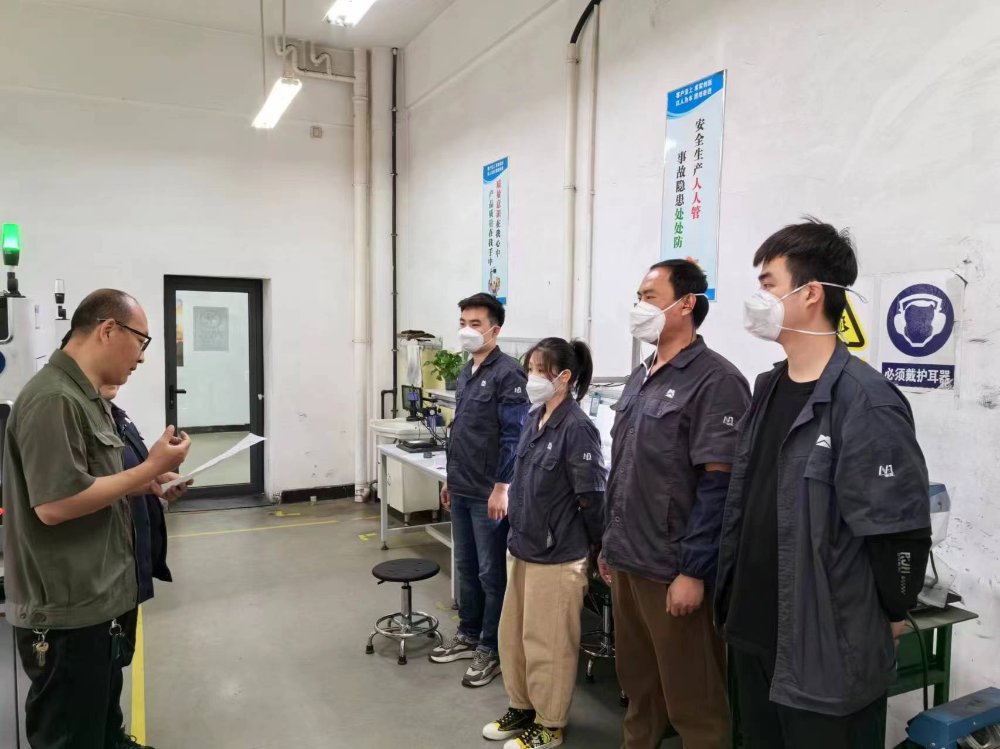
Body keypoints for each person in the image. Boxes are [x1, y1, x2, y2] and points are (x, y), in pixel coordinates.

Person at [715, 219, 932, 749]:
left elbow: (900, 531)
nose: (758, 298)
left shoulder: (866, 401)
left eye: (768, 284)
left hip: (824, 653)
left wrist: (894, 609)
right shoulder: (768, 388)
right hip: (753, 633)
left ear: (810, 293)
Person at [2, 289, 192, 749]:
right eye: (141, 342)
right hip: (68, 608)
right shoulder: (54, 399)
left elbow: (93, 481)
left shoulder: (88, 399)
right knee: (73, 732)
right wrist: (148, 468)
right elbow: (55, 506)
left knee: (101, 717)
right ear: (109, 330)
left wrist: (147, 482)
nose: (142, 358)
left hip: (99, 596)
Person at [598, 259, 750, 749]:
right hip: (628, 558)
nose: (639, 306)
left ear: (687, 304)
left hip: (672, 568)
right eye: (638, 297)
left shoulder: (716, 380)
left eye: (650, 297)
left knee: (694, 699)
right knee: (638, 686)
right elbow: (624, 468)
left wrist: (693, 571)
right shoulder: (639, 376)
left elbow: (719, 486)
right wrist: (608, 544)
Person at [482, 338, 607, 749]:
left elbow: (591, 496)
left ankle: (550, 723)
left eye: (540, 370)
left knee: (548, 643)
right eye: (530, 368)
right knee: (514, 636)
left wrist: (597, 546)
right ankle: (522, 706)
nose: (531, 377)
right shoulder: (535, 417)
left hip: (557, 556)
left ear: (564, 377)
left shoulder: (577, 428)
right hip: (523, 545)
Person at [431, 292, 530, 687]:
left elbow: (514, 436)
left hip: (490, 492)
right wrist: (450, 480)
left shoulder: (509, 374)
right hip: (463, 485)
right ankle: (469, 634)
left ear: (495, 330)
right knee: (466, 568)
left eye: (475, 324)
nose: (466, 330)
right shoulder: (466, 371)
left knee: (491, 573)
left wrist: (502, 487)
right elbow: (462, 430)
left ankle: (492, 647)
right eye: (463, 323)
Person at [101, 383, 180, 749]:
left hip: (126, 565)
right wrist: (151, 470)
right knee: (93, 673)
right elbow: (65, 499)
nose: (138, 361)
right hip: (103, 569)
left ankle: (112, 738)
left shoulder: (116, 416)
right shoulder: (69, 413)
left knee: (113, 662)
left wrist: (158, 479)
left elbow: (126, 476)